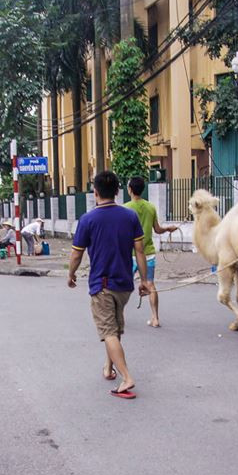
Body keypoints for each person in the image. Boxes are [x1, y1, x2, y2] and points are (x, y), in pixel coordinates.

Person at [68, 171, 149, 399]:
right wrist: (144, 281)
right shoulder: (130, 216)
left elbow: (76, 255)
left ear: (95, 193)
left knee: (109, 331)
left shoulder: (88, 220)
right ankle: (109, 367)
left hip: (102, 285)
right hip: (125, 285)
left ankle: (127, 377)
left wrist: (71, 275)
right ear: (117, 192)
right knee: (113, 328)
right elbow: (140, 252)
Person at [124, 176, 178, 327]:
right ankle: (155, 318)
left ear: (130, 189)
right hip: (148, 253)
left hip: (130, 254)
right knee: (150, 285)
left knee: (123, 285)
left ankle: (119, 317)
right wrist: (169, 228)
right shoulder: (151, 207)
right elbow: (158, 229)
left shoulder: (125, 208)